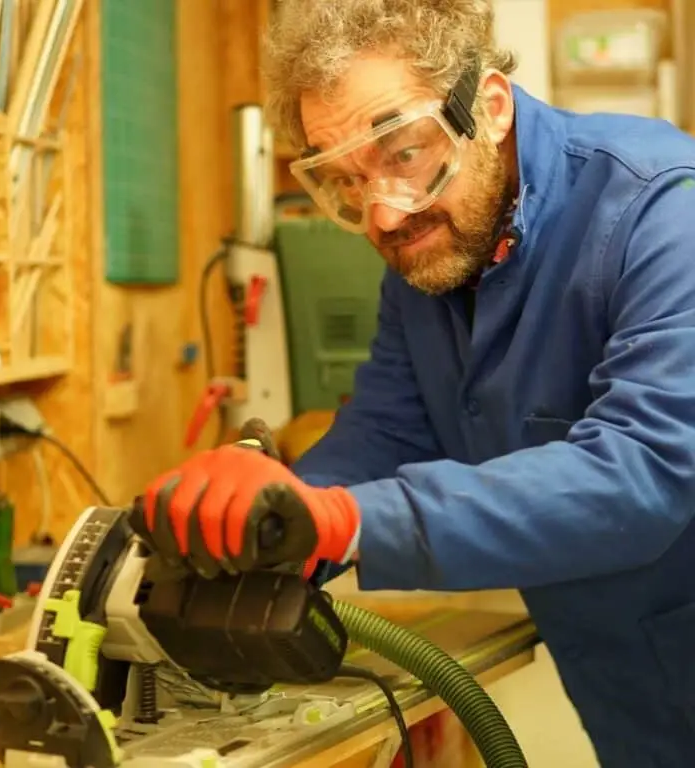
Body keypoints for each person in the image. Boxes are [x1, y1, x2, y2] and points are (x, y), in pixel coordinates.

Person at [142, 1, 695, 765]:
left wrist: (346, 520)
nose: (382, 215)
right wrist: (284, 519)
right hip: (634, 701)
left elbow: (646, 472)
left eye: (401, 153)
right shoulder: (431, 249)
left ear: (490, 108)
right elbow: (390, 427)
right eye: (343, 181)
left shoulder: (661, 205)